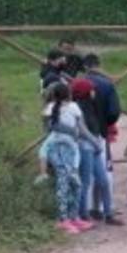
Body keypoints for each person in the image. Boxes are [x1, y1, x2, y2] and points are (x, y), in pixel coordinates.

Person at [39, 84, 94, 234]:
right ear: (68, 94)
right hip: (57, 148)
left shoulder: (73, 107)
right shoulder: (50, 109)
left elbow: (79, 128)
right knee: (63, 182)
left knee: (76, 183)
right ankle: (63, 220)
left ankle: (73, 216)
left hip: (71, 149)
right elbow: (49, 129)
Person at [71, 78, 122, 226]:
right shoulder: (77, 108)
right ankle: (83, 216)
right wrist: (95, 141)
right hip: (86, 147)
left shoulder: (91, 105)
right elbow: (81, 130)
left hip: (94, 146)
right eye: (91, 90)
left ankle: (108, 214)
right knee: (85, 182)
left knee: (103, 181)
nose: (94, 92)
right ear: (86, 92)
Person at [82, 53, 121, 218]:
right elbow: (114, 112)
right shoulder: (107, 85)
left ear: (85, 67)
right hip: (101, 133)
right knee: (105, 171)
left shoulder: (77, 85)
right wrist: (106, 124)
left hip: (81, 135)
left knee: (86, 172)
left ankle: (88, 209)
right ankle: (108, 207)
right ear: (99, 64)